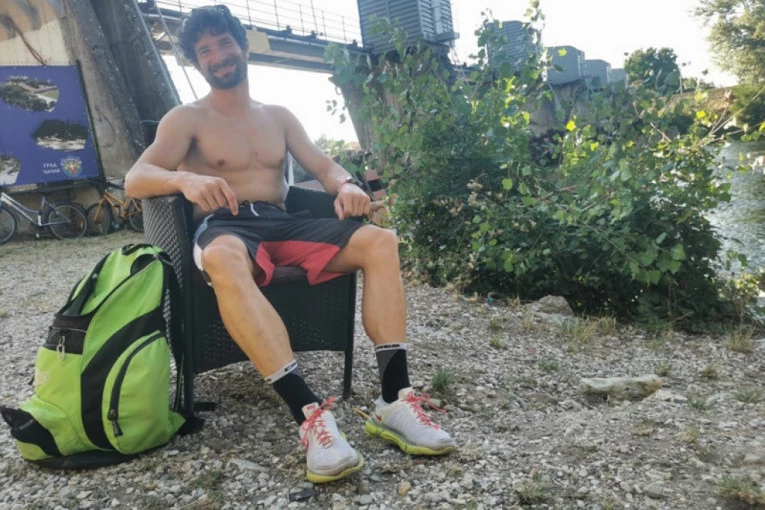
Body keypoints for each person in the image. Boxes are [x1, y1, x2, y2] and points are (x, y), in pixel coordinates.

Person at [125, 4, 454, 483]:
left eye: (224, 43)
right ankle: (310, 417)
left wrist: (346, 185)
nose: (218, 56)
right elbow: (135, 178)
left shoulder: (278, 116)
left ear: (242, 46)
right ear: (197, 63)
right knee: (219, 257)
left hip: (284, 221)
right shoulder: (185, 119)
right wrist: (186, 180)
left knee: (381, 242)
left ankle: (394, 400)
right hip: (227, 225)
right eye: (205, 51)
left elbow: (324, 167)